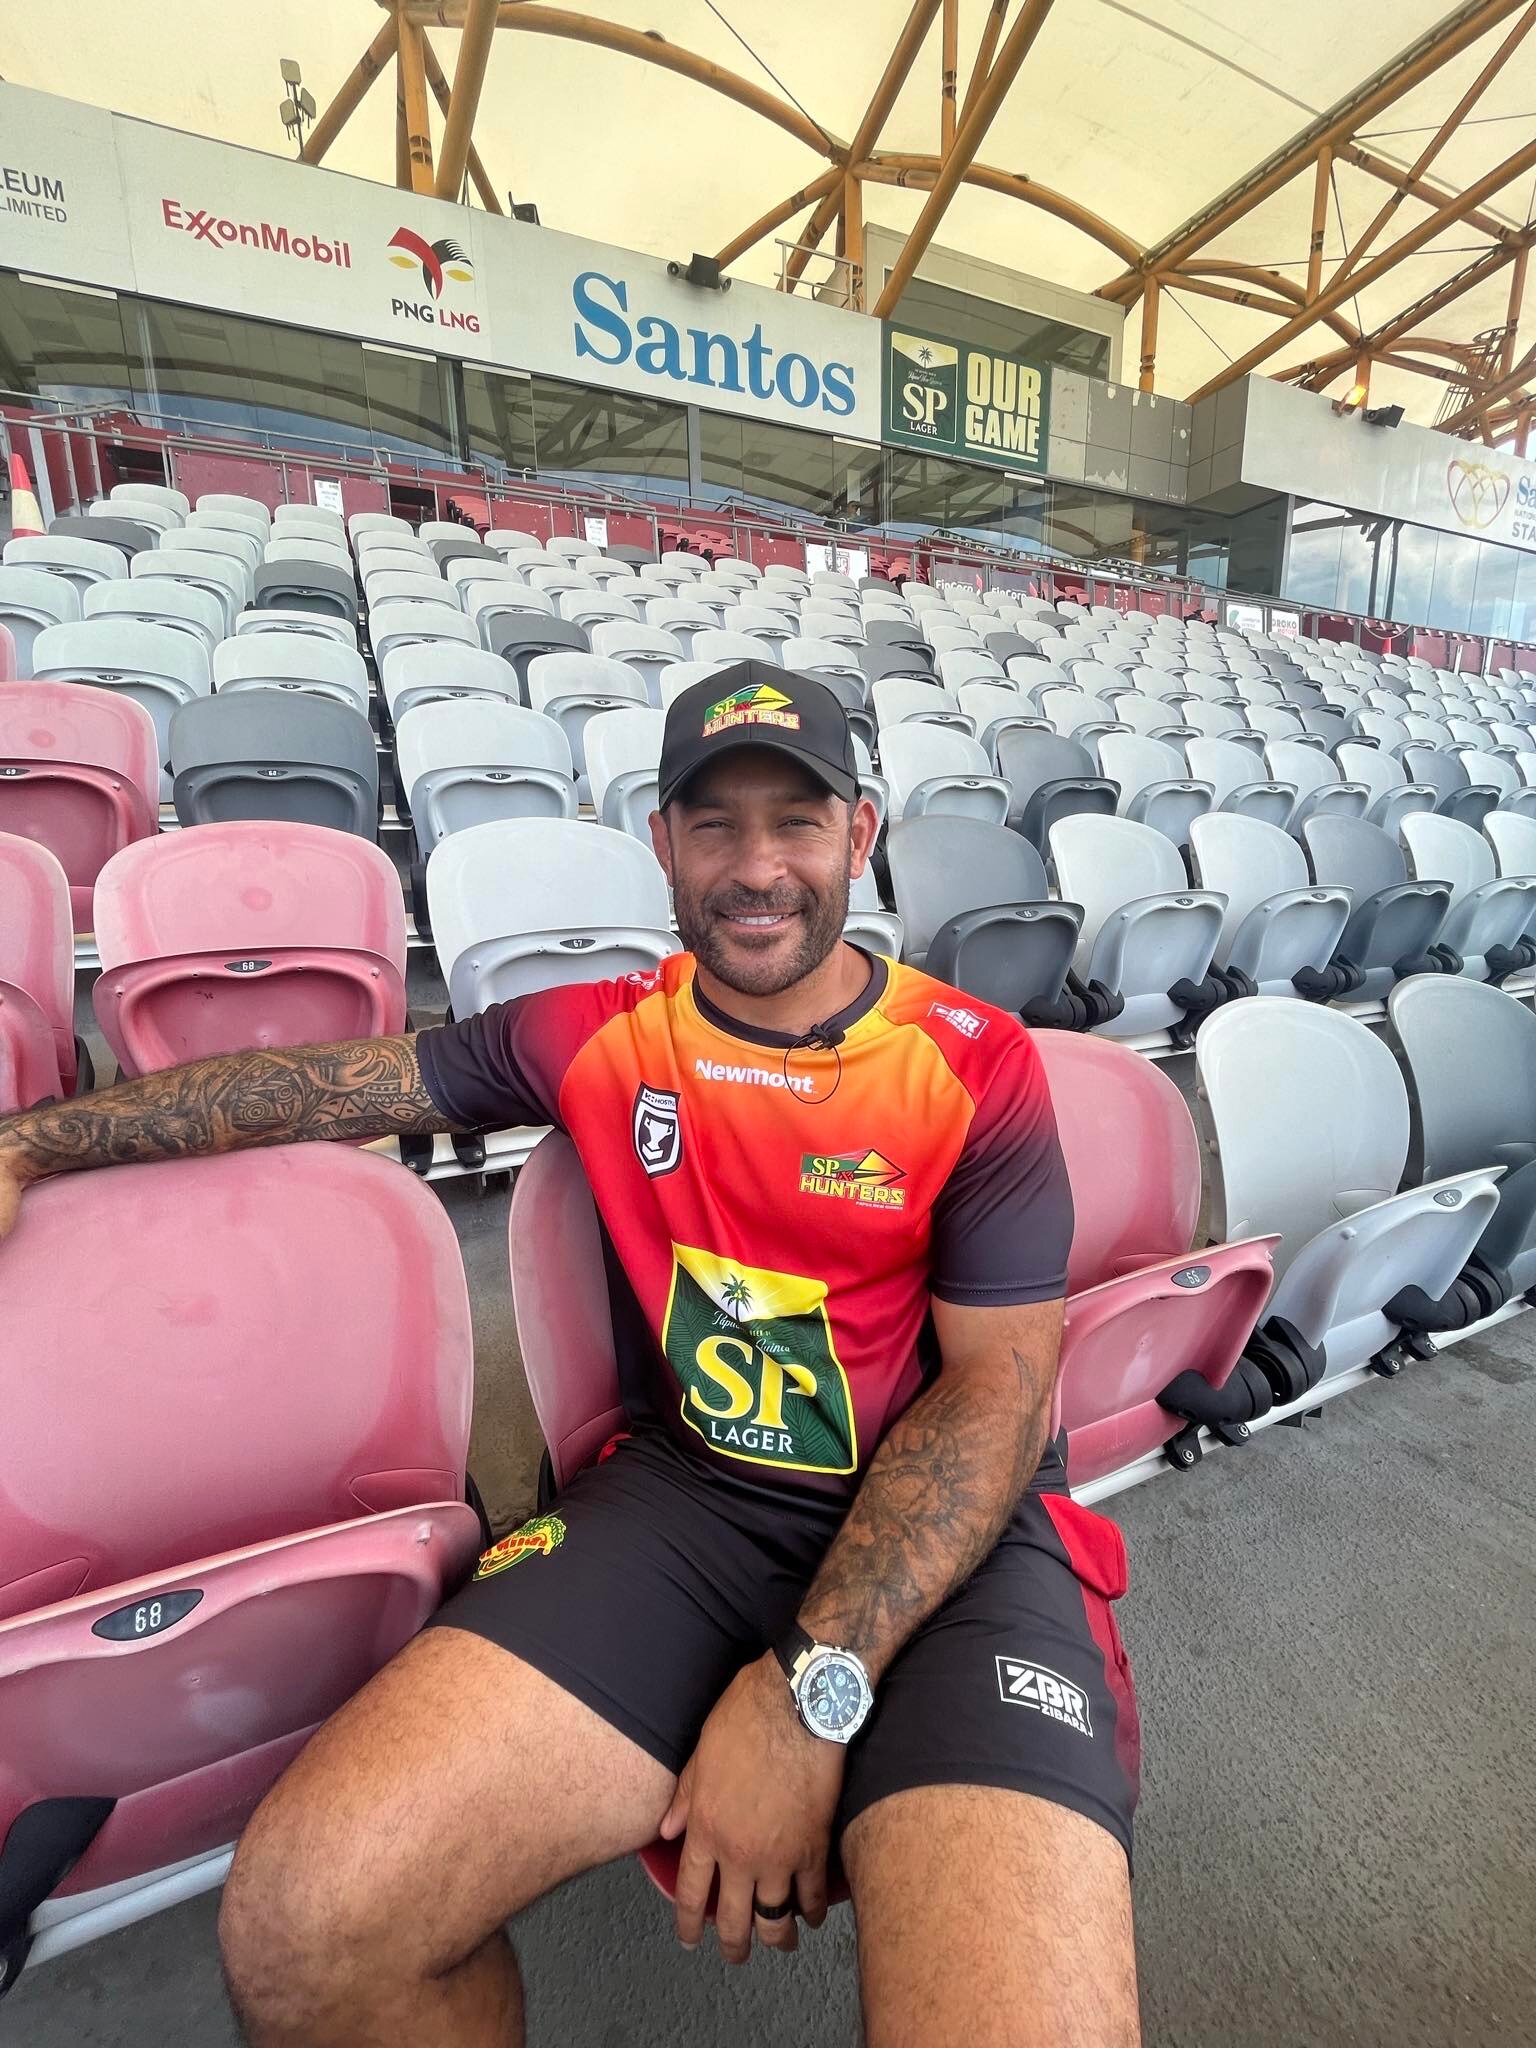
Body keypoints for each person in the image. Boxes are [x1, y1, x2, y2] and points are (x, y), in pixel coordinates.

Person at [0, 663, 1142, 2047]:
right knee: (309, 1932)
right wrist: (34, 1138)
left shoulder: (976, 1065)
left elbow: (999, 1393)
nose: (757, 867)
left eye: (798, 820)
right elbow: (324, 1087)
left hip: (953, 1540)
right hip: (683, 1506)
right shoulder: (603, 1036)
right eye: (713, 825)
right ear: (659, 843)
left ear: (864, 833)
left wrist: (805, 1690)